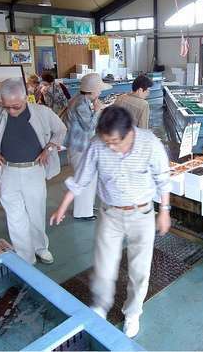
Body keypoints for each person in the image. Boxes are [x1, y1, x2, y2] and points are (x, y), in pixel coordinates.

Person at [50, 106, 172, 339]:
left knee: (139, 270)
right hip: (110, 214)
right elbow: (81, 179)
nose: (110, 147)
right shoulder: (98, 144)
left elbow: (163, 179)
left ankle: (133, 312)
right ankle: (101, 305)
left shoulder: (150, 144)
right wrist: (62, 207)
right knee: (103, 266)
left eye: (114, 142)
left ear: (129, 132)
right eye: (106, 141)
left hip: (142, 214)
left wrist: (164, 211)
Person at [0, 78, 66, 265]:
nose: (10, 111)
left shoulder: (42, 113)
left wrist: (48, 148)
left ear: (26, 98)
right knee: (15, 216)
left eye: (15, 106)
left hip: (34, 170)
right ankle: (26, 256)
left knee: (36, 211)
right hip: (8, 170)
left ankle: (40, 247)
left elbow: (60, 130)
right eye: (6, 106)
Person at [64, 73, 111, 220]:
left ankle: (87, 207)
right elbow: (89, 126)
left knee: (88, 178)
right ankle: (82, 213)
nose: (101, 92)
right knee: (85, 179)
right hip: (80, 148)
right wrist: (97, 110)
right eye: (99, 89)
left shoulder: (81, 99)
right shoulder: (80, 104)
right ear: (91, 91)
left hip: (81, 146)